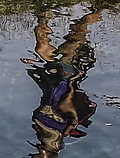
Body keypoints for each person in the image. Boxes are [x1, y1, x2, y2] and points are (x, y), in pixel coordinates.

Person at [25, 8, 102, 156]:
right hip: (66, 76)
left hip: (54, 79)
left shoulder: (43, 133)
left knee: (42, 46)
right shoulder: (63, 129)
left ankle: (43, 12)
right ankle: (101, 7)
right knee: (75, 34)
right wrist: (73, 80)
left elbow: (47, 99)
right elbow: (68, 105)